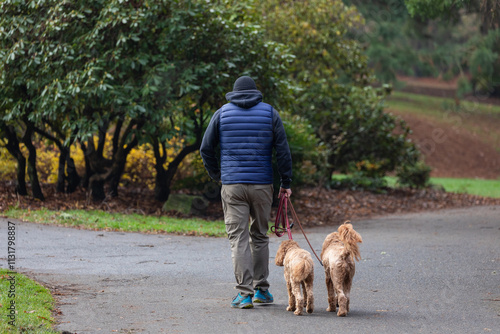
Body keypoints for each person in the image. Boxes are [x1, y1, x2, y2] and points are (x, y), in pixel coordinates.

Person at [200, 76, 292, 309]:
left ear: (234, 93)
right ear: (255, 92)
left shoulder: (222, 113)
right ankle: (261, 290)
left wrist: (217, 175)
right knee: (260, 235)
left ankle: (244, 294)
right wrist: (286, 182)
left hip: (232, 186)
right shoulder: (270, 113)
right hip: (262, 184)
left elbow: (205, 148)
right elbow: (283, 150)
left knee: (238, 238)